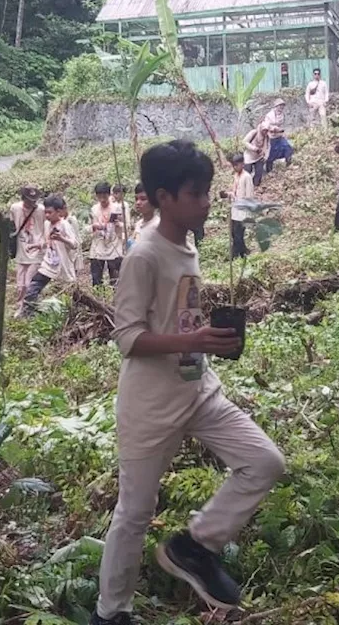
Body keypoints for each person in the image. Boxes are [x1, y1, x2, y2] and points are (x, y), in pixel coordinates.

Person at [92, 140, 284, 624]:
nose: (205, 202)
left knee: (264, 461)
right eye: (195, 193)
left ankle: (194, 546)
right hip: (150, 407)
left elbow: (180, 316)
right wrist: (193, 338)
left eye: (207, 192)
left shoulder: (188, 242)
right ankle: (111, 613)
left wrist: (204, 339)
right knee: (134, 515)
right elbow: (127, 337)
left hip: (198, 388)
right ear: (164, 197)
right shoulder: (145, 254)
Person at [24, 195, 79, 312]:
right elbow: (46, 241)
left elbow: (74, 244)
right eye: (46, 212)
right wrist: (35, 245)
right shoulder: (47, 224)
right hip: (49, 262)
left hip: (63, 264)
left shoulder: (64, 225)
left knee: (70, 289)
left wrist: (62, 239)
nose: (47, 215)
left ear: (58, 212)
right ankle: (28, 311)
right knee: (34, 285)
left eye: (50, 212)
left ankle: (72, 310)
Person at [9, 186, 46, 316]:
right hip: (22, 249)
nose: (33, 203)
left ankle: (28, 308)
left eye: (35, 200)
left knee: (29, 281)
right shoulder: (15, 208)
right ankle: (20, 306)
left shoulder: (41, 210)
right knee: (20, 284)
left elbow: (46, 227)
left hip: (37, 249)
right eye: (30, 200)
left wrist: (43, 243)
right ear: (23, 198)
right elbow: (12, 227)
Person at [89, 182, 126, 288]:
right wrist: (94, 226)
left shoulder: (117, 208)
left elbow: (125, 226)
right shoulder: (94, 209)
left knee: (115, 276)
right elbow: (89, 227)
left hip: (113, 244)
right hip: (98, 244)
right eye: (99, 196)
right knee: (96, 278)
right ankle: (98, 299)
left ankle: (116, 300)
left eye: (104, 196)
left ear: (109, 194)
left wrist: (118, 224)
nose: (102, 199)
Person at [226, 152, 255, 258]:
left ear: (242, 164)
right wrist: (230, 194)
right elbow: (234, 191)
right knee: (234, 232)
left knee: (238, 233)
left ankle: (234, 255)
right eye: (233, 166)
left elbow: (249, 195)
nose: (235, 168)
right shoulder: (236, 176)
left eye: (236, 165)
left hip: (242, 208)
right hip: (235, 207)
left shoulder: (247, 177)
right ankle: (243, 252)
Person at [128, 183, 158, 250]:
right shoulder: (139, 224)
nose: (138, 202)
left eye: (143, 199)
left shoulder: (158, 227)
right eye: (136, 199)